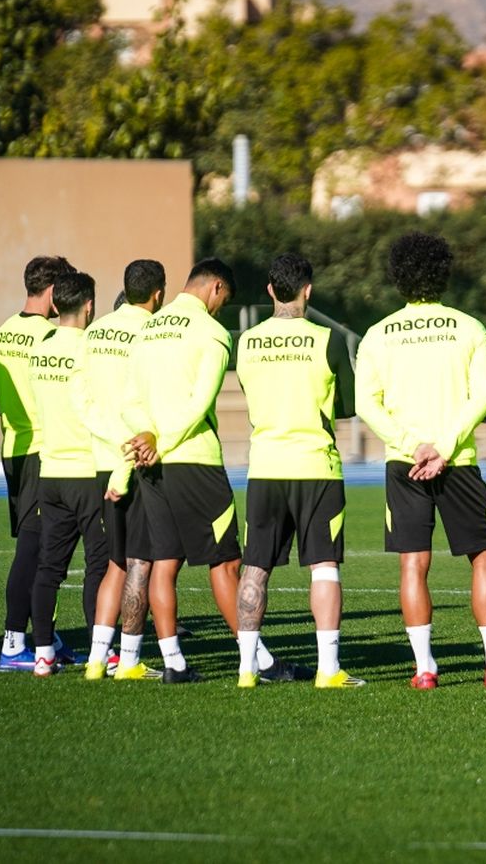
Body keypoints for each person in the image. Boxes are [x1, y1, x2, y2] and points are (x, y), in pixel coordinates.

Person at [354, 233, 486, 689]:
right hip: (455, 462)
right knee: (483, 558)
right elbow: (482, 396)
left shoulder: (378, 334)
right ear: (443, 272)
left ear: (398, 276)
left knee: (413, 565)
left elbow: (366, 403)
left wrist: (413, 444)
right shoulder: (470, 327)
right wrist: (443, 445)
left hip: (406, 464)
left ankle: (424, 669)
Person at [113, 259, 299, 684]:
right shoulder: (212, 333)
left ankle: (174, 663)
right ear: (216, 288)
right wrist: (163, 441)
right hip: (192, 460)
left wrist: (147, 436)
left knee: (164, 562)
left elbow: (127, 400)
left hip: (150, 462)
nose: (221, 309)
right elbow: (200, 403)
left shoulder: (146, 329)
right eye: (224, 300)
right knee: (226, 563)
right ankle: (258, 660)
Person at [233, 253, 363, 689]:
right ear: (308, 289)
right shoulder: (326, 340)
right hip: (315, 466)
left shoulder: (246, 342)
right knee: (323, 566)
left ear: (270, 290)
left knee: (255, 567)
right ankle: (329, 671)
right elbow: (347, 406)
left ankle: (246, 670)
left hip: (265, 466)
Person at [0, 255, 76, 671]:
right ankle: (13, 640)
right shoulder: (49, 337)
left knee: (37, 547)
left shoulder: (4, 330)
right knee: (35, 551)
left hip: (15, 447)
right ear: (55, 292)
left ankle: (43, 634)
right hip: (45, 449)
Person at [82, 261, 163, 681]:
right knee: (142, 563)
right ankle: (129, 661)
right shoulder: (154, 331)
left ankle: (97, 660)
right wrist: (130, 454)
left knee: (115, 564)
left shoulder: (94, 331)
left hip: (99, 458)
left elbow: (82, 396)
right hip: (137, 460)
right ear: (158, 294)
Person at [25, 272, 109, 677]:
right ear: (89, 306)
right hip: (86, 470)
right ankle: (101, 650)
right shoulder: (92, 347)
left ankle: (42, 653)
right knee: (99, 565)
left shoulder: (40, 348)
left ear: (55, 306)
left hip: (50, 470)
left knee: (49, 568)